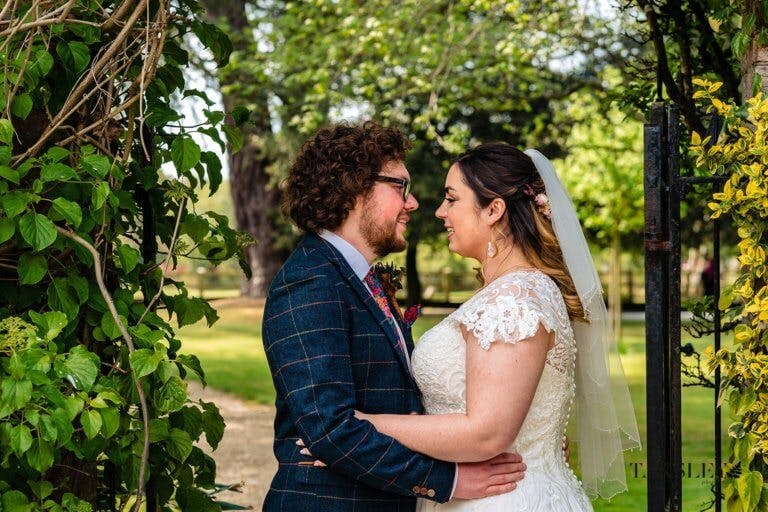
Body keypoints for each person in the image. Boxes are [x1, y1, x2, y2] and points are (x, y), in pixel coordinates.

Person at [354, 143, 641, 511]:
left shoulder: (514, 300)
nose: (441, 212)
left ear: (493, 209)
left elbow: (486, 432)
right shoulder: (520, 290)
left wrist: (364, 426)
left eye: (452, 199)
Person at [261, 123, 526, 512]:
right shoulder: (311, 279)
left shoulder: (355, 277)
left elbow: (403, 402)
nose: (413, 202)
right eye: (400, 186)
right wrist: (448, 480)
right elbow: (330, 429)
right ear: (353, 188)